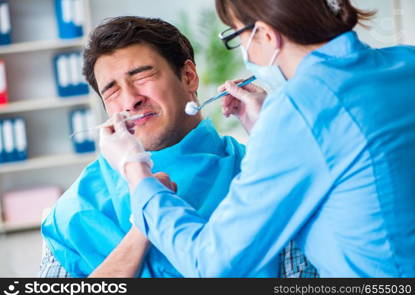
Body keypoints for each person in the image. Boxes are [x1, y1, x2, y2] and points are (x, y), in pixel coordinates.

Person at [99, 0, 415, 277]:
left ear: (264, 34)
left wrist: (136, 172)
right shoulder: (406, 62)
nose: (130, 101)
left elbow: (213, 264)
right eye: (111, 89)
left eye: (237, 35)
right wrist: (273, 128)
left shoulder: (298, 109)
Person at [40, 16, 318, 278]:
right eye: (111, 91)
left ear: (188, 77)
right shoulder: (72, 211)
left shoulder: (267, 178)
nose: (129, 101)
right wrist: (143, 225)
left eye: (141, 76)